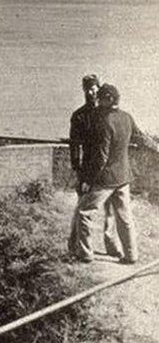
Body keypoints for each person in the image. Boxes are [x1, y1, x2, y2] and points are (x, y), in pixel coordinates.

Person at [74, 83, 159, 265]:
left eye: (101, 98)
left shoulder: (104, 122)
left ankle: (85, 254)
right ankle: (131, 255)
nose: (98, 101)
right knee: (124, 218)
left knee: (84, 213)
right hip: (123, 178)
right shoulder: (127, 117)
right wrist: (158, 148)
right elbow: (141, 138)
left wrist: (88, 180)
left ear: (109, 99)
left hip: (105, 180)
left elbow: (101, 158)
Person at [67, 74, 119, 259]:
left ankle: (111, 245)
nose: (90, 92)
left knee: (110, 210)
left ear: (98, 89)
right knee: (82, 207)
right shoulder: (79, 116)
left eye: (93, 88)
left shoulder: (107, 113)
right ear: (83, 90)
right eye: (87, 89)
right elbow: (74, 145)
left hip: (107, 170)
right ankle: (74, 246)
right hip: (88, 168)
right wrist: (78, 170)